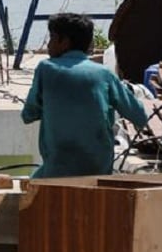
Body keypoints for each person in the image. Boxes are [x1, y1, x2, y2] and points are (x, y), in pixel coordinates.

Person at [21, 12, 148, 178]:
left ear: (64, 42)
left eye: (52, 38)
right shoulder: (104, 74)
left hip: (57, 171)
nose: (48, 45)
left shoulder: (46, 68)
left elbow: (28, 115)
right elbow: (140, 116)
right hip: (99, 169)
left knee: (32, 187)